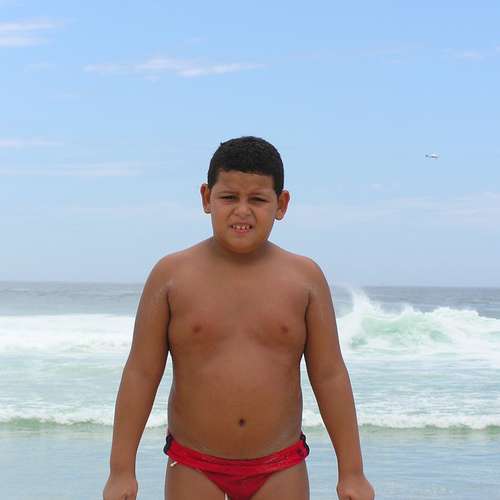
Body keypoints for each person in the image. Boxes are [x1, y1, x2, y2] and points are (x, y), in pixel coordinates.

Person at [103, 136, 374, 500]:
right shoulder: (171, 276)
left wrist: (352, 472)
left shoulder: (304, 279)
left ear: (281, 204)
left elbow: (329, 375)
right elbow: (141, 372)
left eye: (257, 200)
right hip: (194, 465)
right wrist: (121, 470)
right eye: (229, 197)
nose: (242, 211)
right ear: (206, 198)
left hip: (280, 465)